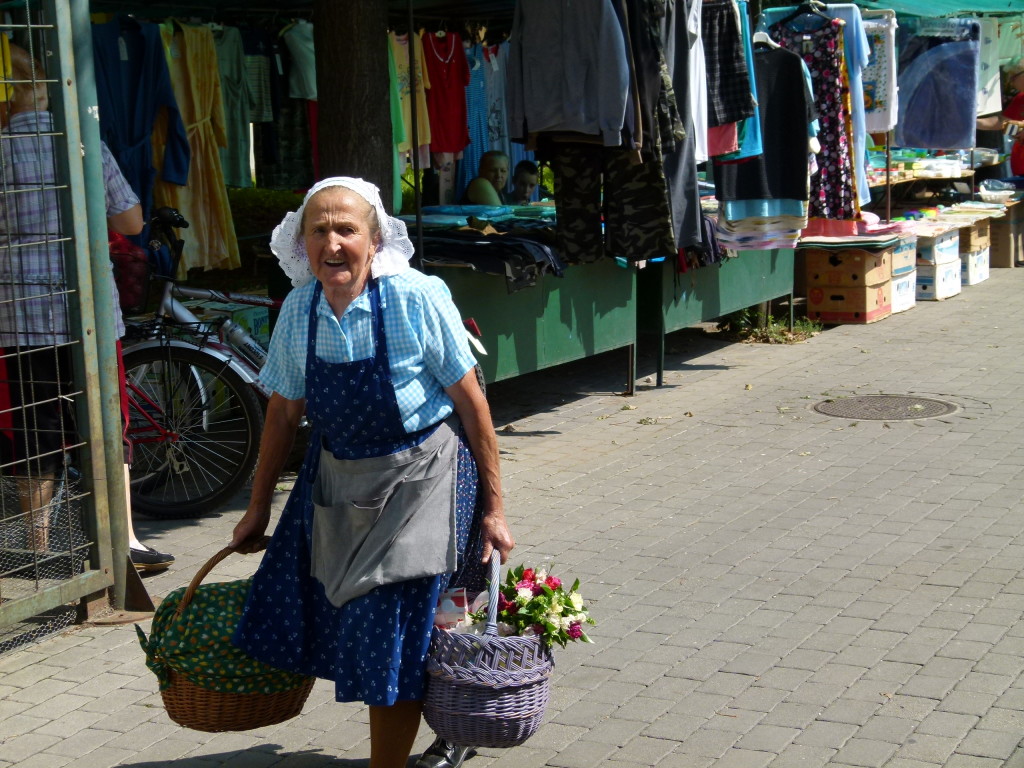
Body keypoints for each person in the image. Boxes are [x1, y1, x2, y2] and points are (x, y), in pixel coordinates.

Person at [230, 177, 515, 768]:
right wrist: (256, 508)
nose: (332, 243)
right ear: (301, 242)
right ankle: (447, 726)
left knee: (392, 629)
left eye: (346, 229)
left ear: (374, 238)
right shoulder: (300, 311)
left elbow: (471, 404)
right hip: (339, 482)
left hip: (423, 480)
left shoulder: (415, 296)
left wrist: (495, 508)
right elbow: (283, 412)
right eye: (319, 230)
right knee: (353, 622)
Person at [0, 43, 173, 572]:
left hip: (18, 318)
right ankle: (123, 540)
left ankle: (40, 550)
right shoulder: (81, 145)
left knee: (36, 431)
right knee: (104, 424)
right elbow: (130, 223)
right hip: (88, 317)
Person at [976, 61, 1024, 176]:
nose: (1011, 83)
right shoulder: (1020, 98)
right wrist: (974, 123)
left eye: (1013, 78)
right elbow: (1003, 122)